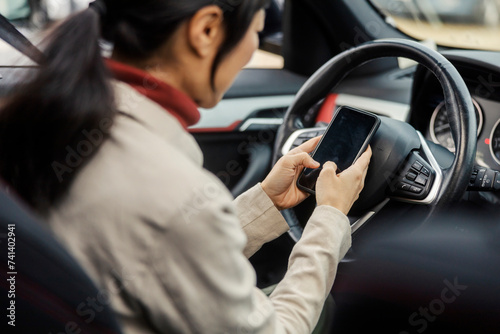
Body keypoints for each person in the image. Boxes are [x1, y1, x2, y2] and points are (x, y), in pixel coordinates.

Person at [0, 0, 371, 333]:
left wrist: (266, 203)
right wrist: (330, 218)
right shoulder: (171, 189)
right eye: (257, 32)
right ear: (206, 29)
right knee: (326, 308)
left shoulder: (62, 117)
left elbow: (158, 250)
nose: (253, 48)